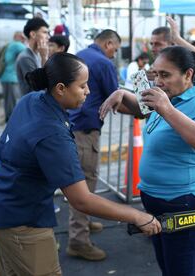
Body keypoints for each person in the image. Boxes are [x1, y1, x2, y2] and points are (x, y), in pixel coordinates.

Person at [0, 52, 161, 276]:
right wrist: (137, 215)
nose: (89, 91)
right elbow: (81, 200)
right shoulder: (52, 134)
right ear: (61, 88)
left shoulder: (32, 100)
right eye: (83, 86)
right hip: (20, 217)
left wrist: (124, 95)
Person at [100, 46, 195, 276]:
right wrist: (123, 94)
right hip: (157, 200)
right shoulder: (169, 96)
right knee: (167, 264)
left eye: (165, 75)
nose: (158, 81)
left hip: (183, 202)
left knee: (179, 269)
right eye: (155, 74)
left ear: (188, 74)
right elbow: (144, 108)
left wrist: (167, 109)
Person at [67, 29, 122, 261]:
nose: (114, 54)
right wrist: (145, 111)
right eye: (116, 49)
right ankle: (78, 240)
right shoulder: (104, 63)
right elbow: (117, 97)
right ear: (108, 43)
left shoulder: (79, 55)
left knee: (80, 182)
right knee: (85, 186)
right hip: (85, 131)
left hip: (71, 126)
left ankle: (85, 223)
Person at [147, 17, 195, 81]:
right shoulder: (153, 66)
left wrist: (177, 38)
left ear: (172, 44)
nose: (153, 48)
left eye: (158, 44)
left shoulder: (179, 63)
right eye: (151, 44)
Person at [16, 17, 49, 95]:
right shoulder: (26, 57)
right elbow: (38, 85)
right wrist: (44, 57)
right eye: (44, 32)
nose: (48, 37)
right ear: (33, 34)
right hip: (32, 103)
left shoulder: (37, 54)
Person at [0, 31, 26, 122]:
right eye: (22, 37)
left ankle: (8, 118)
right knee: (12, 101)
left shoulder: (10, 45)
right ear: (17, 37)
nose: (23, 39)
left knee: (7, 100)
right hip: (11, 77)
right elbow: (28, 51)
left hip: (4, 77)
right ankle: (12, 120)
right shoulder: (16, 45)